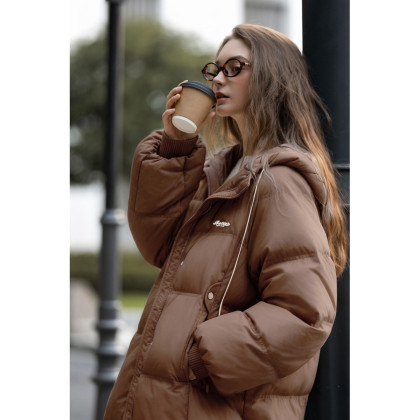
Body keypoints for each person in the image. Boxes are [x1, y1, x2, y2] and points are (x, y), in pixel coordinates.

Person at [104, 23, 348, 420]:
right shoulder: (223, 171)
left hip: (213, 404)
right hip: (168, 400)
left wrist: (201, 355)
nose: (218, 79)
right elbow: (160, 246)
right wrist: (176, 147)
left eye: (235, 68)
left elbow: (305, 312)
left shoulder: (279, 181)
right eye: (215, 69)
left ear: (272, 78)